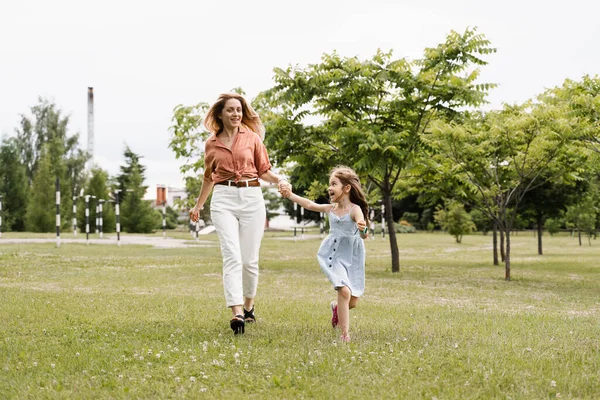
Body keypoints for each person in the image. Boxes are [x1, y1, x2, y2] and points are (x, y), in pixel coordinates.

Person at [189, 93, 291, 335]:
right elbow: (208, 177)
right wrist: (198, 205)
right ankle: (236, 313)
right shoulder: (211, 143)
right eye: (231, 110)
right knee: (232, 256)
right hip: (223, 199)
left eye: (239, 110)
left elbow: (264, 171)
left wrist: (280, 180)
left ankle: (248, 305)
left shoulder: (253, 138)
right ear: (220, 115)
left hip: (252, 198)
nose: (236, 114)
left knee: (249, 260)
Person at [281, 166, 368, 343]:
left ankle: (336, 308)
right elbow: (309, 204)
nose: (329, 188)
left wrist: (363, 227)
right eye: (329, 184)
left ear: (347, 188)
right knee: (344, 291)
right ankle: (345, 334)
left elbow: (363, 231)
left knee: (353, 301)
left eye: (334, 184)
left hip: (352, 256)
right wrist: (290, 195)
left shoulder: (354, 209)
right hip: (334, 254)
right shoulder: (331, 209)